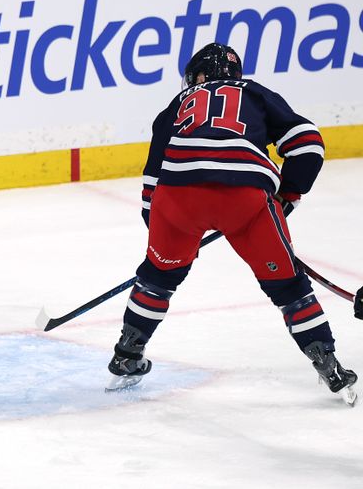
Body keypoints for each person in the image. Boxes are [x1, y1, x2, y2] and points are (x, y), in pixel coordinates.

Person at [106, 42, 357, 404]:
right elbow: (308, 145)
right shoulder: (255, 92)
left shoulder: (176, 105)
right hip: (245, 197)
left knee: (157, 281)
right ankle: (329, 366)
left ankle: (126, 356)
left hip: (176, 198)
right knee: (289, 288)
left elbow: (152, 182)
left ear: (199, 77)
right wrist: (288, 194)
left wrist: (168, 239)